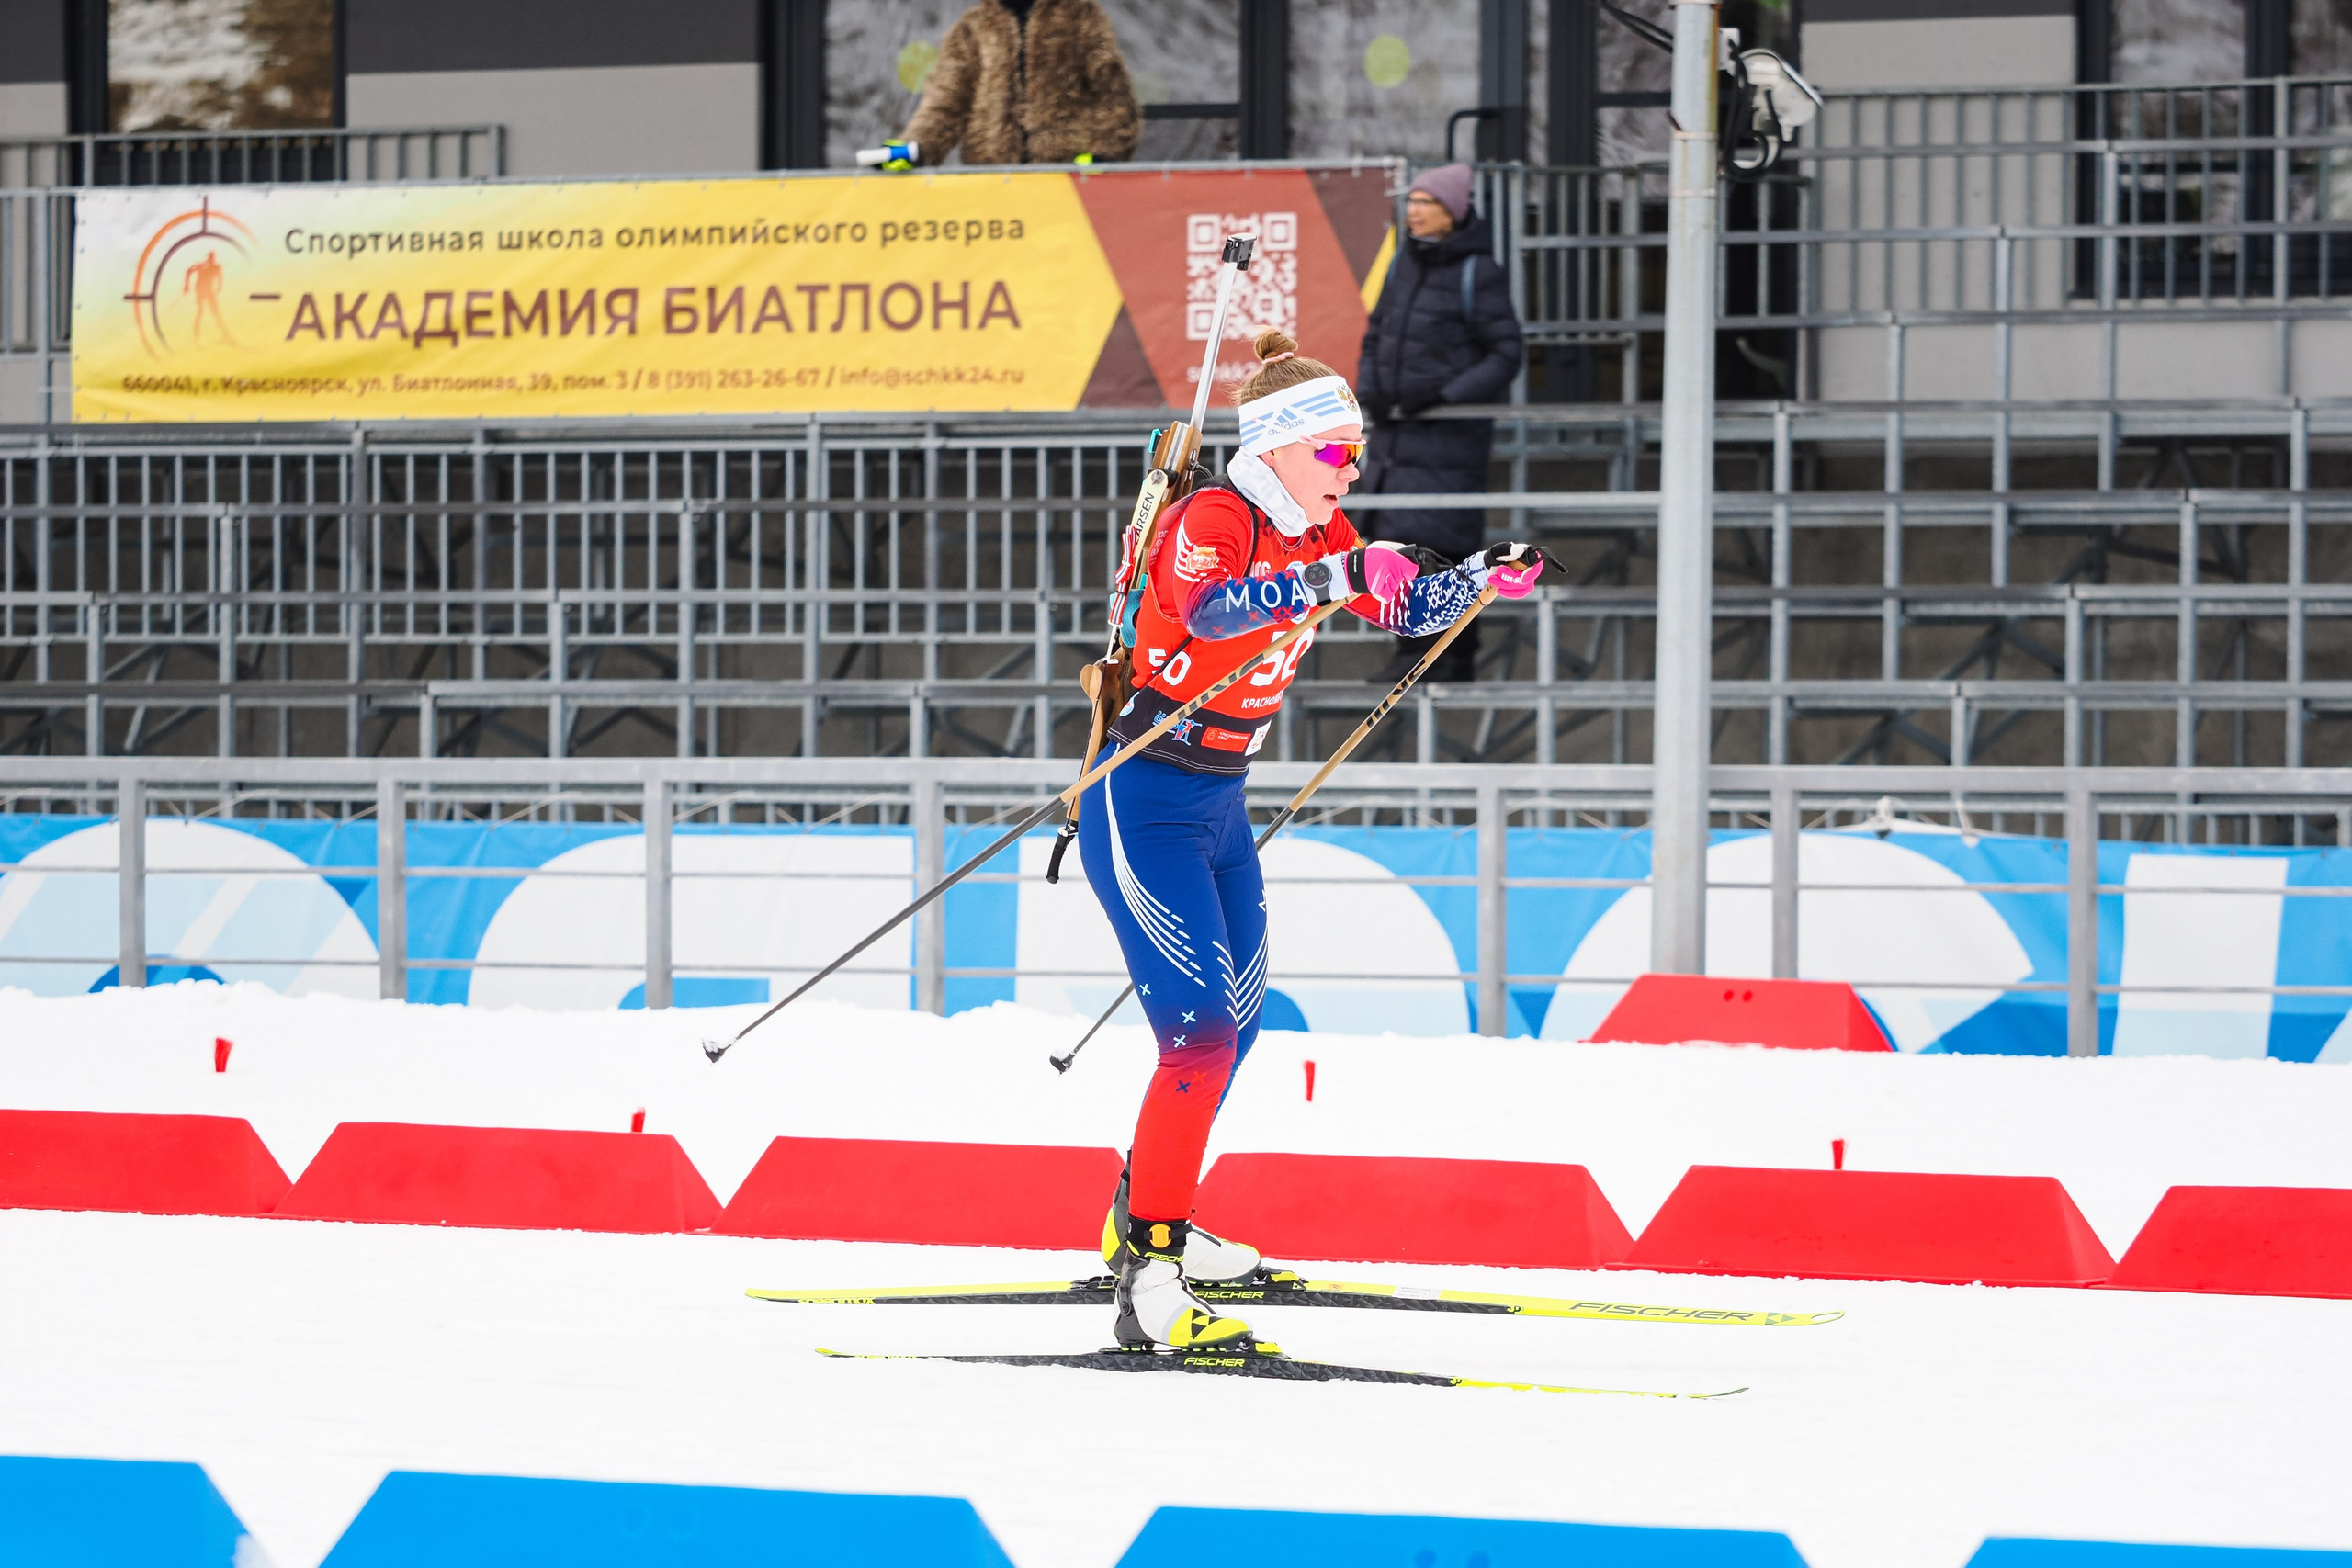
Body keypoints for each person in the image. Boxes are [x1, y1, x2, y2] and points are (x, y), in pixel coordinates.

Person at [1078, 329, 1546, 1351]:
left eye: (1357, 452)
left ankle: (1147, 1215)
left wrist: (1474, 578)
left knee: (1234, 1032)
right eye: (1335, 451)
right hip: (1143, 797)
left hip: (1220, 803)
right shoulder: (1217, 514)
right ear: (1281, 446)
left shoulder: (1318, 533)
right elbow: (1204, 616)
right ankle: (1149, 1277)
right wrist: (1337, 581)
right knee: (1196, 1041)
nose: (1351, 468)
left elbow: (1399, 601)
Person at [1354, 164, 1527, 685]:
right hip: (1397, 436)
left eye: (1426, 202)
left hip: (1447, 439)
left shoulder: (1479, 271)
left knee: (1441, 548)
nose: (1414, 210)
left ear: (1452, 212)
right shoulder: (1404, 263)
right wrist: (1372, 392)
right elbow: (1376, 333)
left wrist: (1442, 397)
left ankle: (1445, 660)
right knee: (1397, 545)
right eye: (1412, 201)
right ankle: (1419, 654)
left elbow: (1506, 354)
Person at [899, 0, 1141, 166]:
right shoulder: (972, 28)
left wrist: (1104, 157)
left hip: (1066, 184)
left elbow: (1113, 94)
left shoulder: (1080, 16)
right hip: (993, 185)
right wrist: (911, 149)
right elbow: (946, 105)